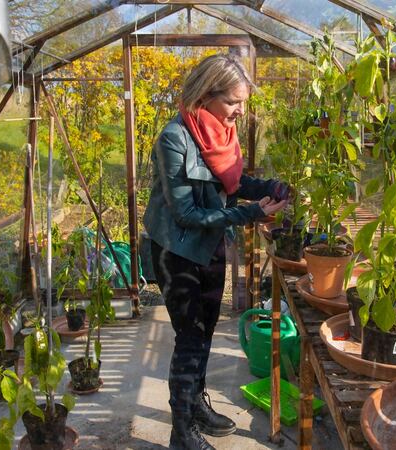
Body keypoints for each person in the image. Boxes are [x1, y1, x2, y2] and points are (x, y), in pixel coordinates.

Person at [143, 54, 290, 450]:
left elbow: (233, 182)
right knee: (190, 338)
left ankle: (195, 406)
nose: (240, 111)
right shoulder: (173, 138)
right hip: (176, 251)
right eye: (233, 102)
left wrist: (266, 188)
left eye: (242, 102)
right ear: (206, 95)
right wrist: (250, 214)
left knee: (207, 331)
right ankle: (181, 433)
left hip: (209, 247)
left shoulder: (222, 135)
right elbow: (187, 212)